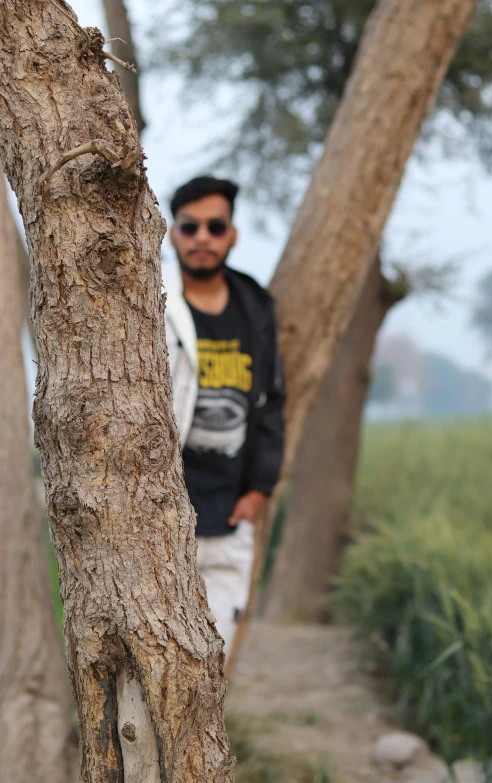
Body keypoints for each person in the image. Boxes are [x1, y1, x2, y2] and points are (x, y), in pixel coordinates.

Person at [165, 175, 285, 652]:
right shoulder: (153, 299)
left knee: (212, 659)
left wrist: (259, 490)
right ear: (173, 232)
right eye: (190, 227)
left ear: (232, 234)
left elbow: (272, 400)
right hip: (163, 513)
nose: (202, 239)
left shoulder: (255, 306)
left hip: (230, 517)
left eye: (216, 227)